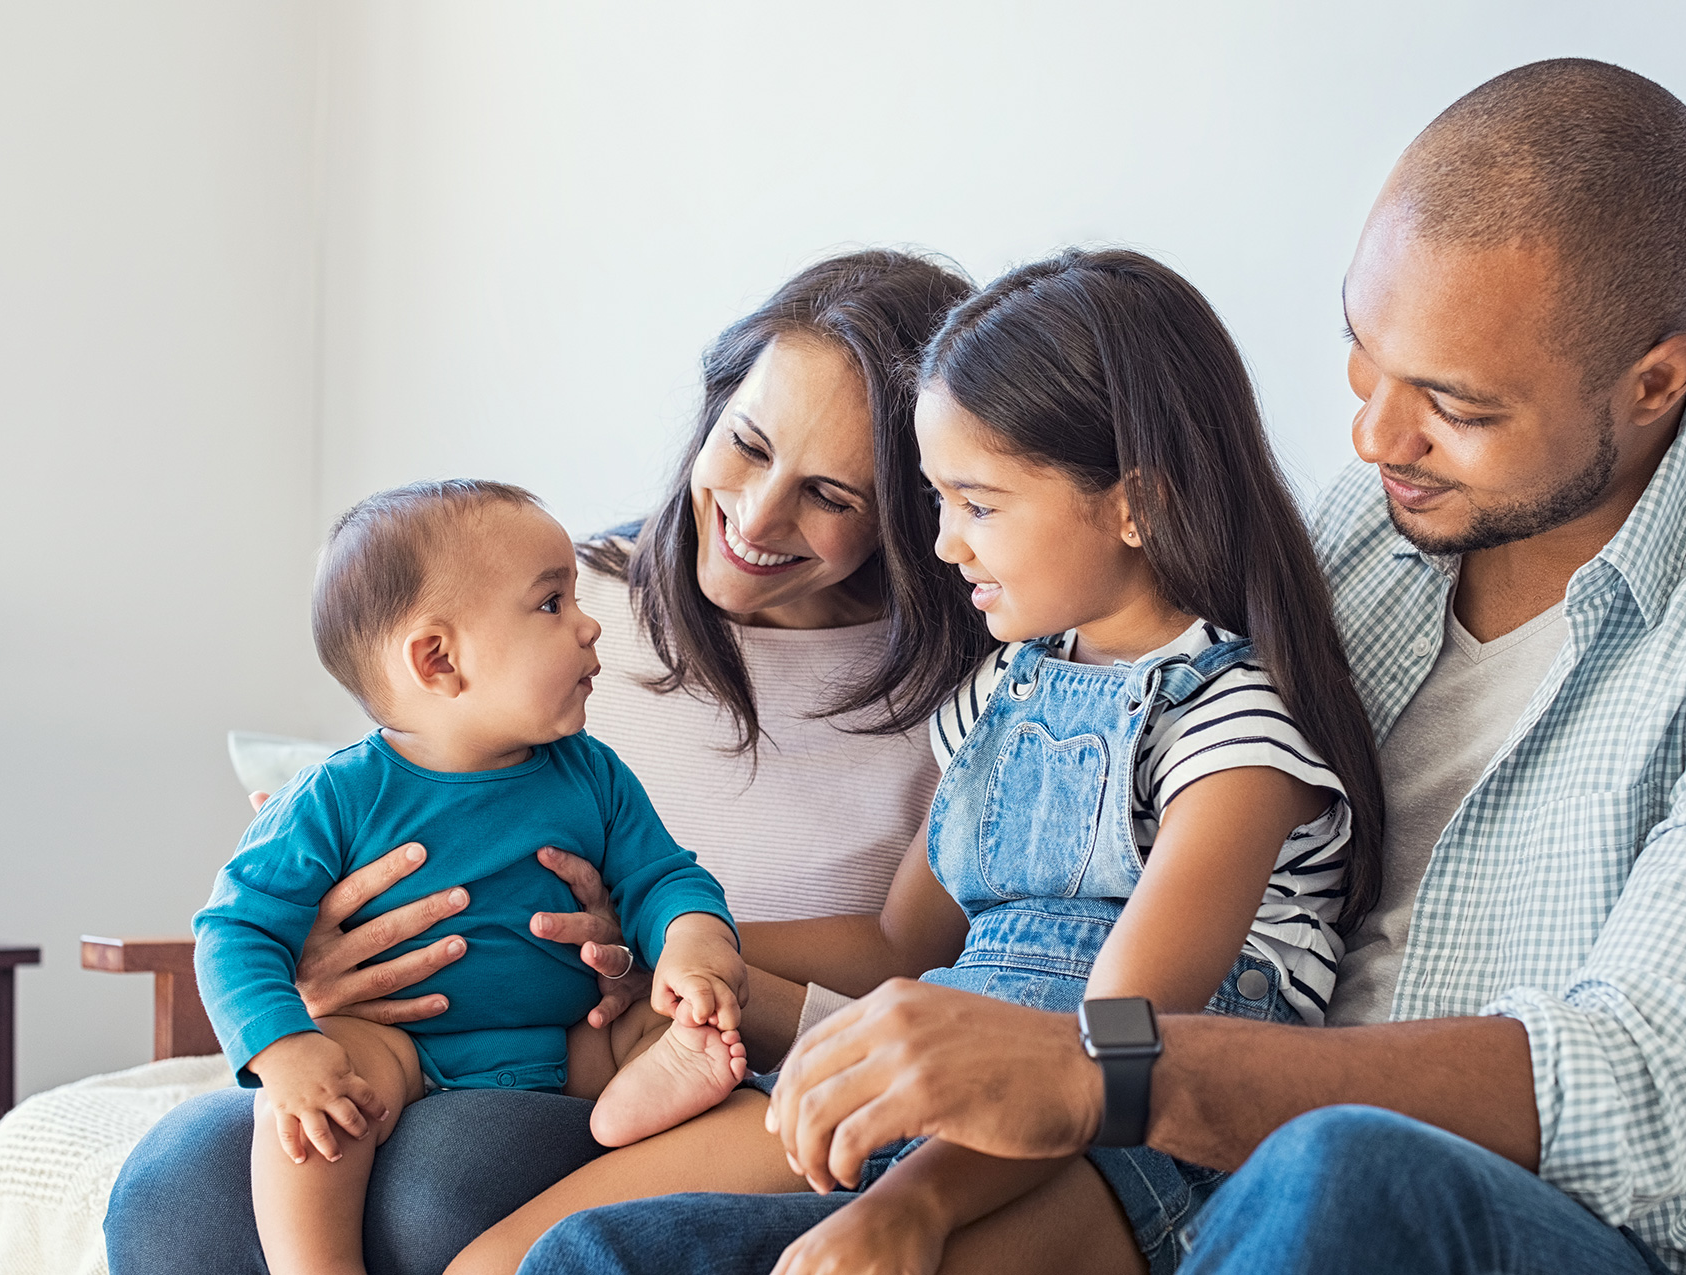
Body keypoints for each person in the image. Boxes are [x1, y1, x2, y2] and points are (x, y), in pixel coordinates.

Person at [528, 59, 1686, 1275]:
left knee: (1340, 1169)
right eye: (1362, 352)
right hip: (1194, 1170)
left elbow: (1644, 1090)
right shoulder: (1366, 532)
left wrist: (1105, 1068)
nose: (1375, 432)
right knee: (602, 1258)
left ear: (1658, 381)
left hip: (1519, 1220)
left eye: (1458, 403)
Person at [439, 248, 1387, 1275]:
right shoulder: (1000, 695)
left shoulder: (1231, 735)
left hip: (1116, 1147)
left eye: (976, 506)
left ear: (1136, 505)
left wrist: (911, 1209)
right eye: (936, 502)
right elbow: (901, 942)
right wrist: (670, 935)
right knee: (520, 1260)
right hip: (929, 1078)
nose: (940, 546)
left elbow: (1116, 1053)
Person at [103, 252, 987, 1275]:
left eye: (831, 494)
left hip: (650, 1051)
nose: (755, 517)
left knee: (441, 1182)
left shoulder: (967, 698)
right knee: (178, 1181)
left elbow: (926, 964)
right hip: (413, 1029)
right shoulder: (547, 606)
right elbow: (297, 873)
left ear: (919, 510)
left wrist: (675, 949)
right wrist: (306, 978)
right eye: (744, 445)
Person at [197, 479, 752, 1273]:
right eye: (552, 603)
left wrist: (694, 948)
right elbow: (235, 929)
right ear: (440, 658)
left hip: (572, 1040)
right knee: (319, 1107)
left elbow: (663, 877)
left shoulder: (592, 775)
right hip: (404, 1046)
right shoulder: (339, 794)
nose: (591, 623)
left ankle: (636, 1101)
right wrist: (285, 1053)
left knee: (674, 1029)